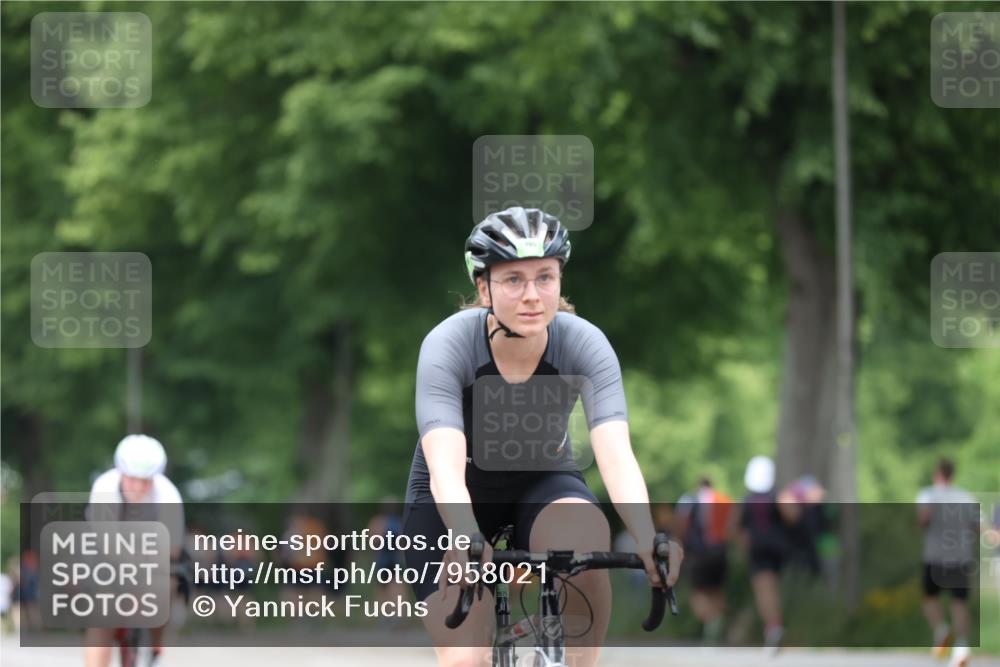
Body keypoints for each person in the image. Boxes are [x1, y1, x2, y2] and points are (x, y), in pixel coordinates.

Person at [401, 207, 683, 667]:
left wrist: (648, 536)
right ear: (483, 286)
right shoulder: (447, 345)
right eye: (513, 280)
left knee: (587, 539)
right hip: (453, 497)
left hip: (543, 483)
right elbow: (445, 466)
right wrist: (466, 535)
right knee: (464, 661)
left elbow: (615, 456)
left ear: (559, 280)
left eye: (545, 278)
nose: (532, 295)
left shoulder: (584, 343)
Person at [84, 434, 186, 667]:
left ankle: (155, 647)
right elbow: (105, 544)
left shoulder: (168, 494)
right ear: (121, 473)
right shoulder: (105, 487)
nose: (139, 487)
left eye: (146, 480)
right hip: (109, 552)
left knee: (164, 588)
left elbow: (173, 550)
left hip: (155, 555)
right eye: (132, 479)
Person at [917, 458, 982, 667]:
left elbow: (924, 520)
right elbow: (978, 527)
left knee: (929, 598)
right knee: (959, 602)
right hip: (961, 557)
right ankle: (962, 647)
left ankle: (941, 631)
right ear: (952, 475)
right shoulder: (966, 497)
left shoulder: (928, 494)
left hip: (935, 556)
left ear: (937, 474)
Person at [736, 455, 800, 653]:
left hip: (758, 549)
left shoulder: (746, 500)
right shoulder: (778, 495)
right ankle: (775, 627)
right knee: (772, 588)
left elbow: (735, 527)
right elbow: (794, 516)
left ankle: (773, 628)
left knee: (764, 589)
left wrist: (743, 544)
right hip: (779, 549)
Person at [675, 478, 733, 645]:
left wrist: (680, 544)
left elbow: (681, 523)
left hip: (699, 552)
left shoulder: (689, 499)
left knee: (698, 591)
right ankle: (715, 625)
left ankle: (709, 621)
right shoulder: (724, 499)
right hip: (721, 551)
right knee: (717, 590)